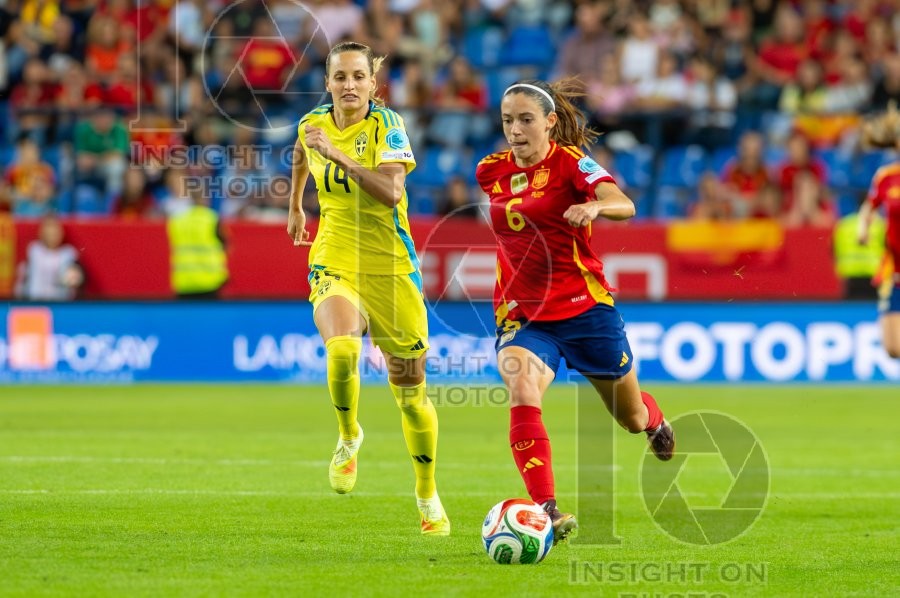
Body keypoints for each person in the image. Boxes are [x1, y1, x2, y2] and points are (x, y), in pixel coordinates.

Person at [475, 79, 675, 544]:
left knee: (629, 417)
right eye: (508, 121)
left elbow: (623, 203)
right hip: (523, 313)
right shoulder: (489, 170)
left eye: (526, 120)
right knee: (522, 386)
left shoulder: (570, 162)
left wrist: (594, 208)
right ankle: (545, 509)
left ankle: (655, 421)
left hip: (585, 310)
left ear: (549, 122)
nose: (515, 130)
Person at [286, 41, 449, 536]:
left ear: (372, 84)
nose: (349, 85)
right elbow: (301, 154)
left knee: (411, 396)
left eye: (359, 76)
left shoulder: (387, 126)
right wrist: (295, 207)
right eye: (340, 77)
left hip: (391, 267)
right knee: (341, 349)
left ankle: (427, 495)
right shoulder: (311, 124)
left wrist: (337, 155)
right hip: (335, 254)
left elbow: (392, 192)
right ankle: (349, 435)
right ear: (328, 82)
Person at [857, 107, 900, 359]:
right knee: (892, 348)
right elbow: (869, 206)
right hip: (894, 270)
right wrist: (863, 228)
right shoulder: (886, 177)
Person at [166, 189, 228, 299]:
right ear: (206, 199)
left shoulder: (177, 220)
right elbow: (226, 243)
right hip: (209, 282)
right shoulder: (212, 218)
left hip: (184, 282)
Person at [15, 215, 84, 301]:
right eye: (48, 230)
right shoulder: (34, 250)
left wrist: (75, 277)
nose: (51, 234)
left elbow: (78, 279)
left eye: (55, 231)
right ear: (41, 233)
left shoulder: (68, 253)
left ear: (61, 233)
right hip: (34, 302)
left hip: (59, 303)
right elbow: (22, 276)